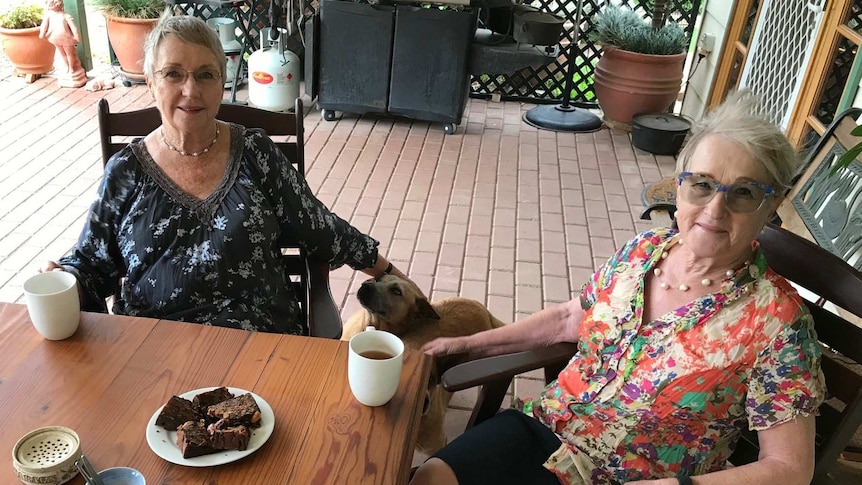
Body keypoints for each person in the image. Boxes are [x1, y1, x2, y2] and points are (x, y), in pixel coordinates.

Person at [411, 92, 826, 485]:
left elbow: (789, 467)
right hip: (546, 431)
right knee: (429, 478)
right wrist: (465, 344)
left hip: (636, 478)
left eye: (744, 193)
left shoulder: (777, 323)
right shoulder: (643, 251)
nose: (715, 208)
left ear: (771, 205)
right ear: (678, 187)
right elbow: (570, 318)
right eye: (702, 184)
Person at [42, 14, 402, 335]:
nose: (191, 90)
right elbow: (89, 263)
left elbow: (320, 226)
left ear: (222, 82)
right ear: (151, 82)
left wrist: (391, 275)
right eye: (173, 73)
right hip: (153, 352)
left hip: (259, 346)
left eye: (206, 75)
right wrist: (64, 279)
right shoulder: (125, 173)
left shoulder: (256, 154)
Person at [39, 0, 87, 88]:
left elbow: (73, 27)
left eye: (49, 3)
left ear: (56, 4)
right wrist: (42, 34)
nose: (47, 4)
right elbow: (44, 26)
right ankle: (67, 67)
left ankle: (71, 68)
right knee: (63, 53)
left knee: (68, 53)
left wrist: (77, 37)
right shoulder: (49, 15)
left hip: (65, 37)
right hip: (56, 37)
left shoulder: (65, 16)